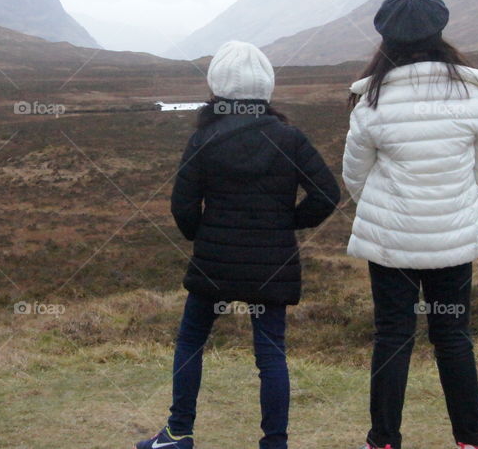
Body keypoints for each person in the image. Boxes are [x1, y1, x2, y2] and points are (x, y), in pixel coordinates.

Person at [135, 40, 341, 449]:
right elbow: (327, 195)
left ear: (219, 88)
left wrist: (204, 235)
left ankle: (179, 433)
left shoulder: (205, 138)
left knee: (191, 340)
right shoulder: (290, 138)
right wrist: (286, 226)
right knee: (270, 353)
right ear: (265, 87)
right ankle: (275, 442)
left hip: (216, 264)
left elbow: (183, 206)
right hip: (272, 264)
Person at [342, 0, 478, 449]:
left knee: (392, 335)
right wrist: (453, 197)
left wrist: (385, 205)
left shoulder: (372, 101)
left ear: (385, 40)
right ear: (440, 33)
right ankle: (473, 440)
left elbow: (355, 175)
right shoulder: (472, 94)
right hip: (453, 236)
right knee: (453, 335)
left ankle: (383, 440)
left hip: (391, 240)